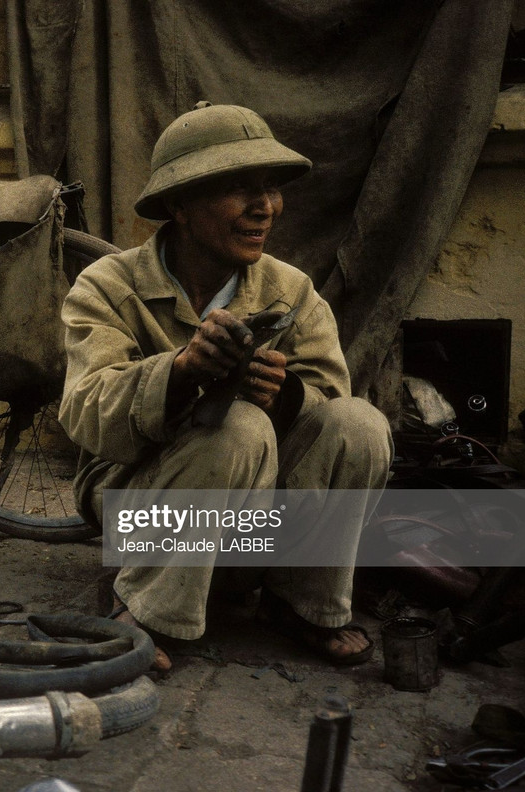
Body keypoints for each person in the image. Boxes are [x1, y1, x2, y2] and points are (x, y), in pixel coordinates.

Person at [59, 103, 393, 671]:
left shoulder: (291, 290)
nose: (265, 207)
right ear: (180, 206)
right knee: (235, 427)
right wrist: (180, 371)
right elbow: (85, 412)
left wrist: (285, 396)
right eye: (239, 189)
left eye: (271, 188)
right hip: (135, 505)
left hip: (254, 521)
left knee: (361, 424)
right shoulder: (108, 286)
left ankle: (302, 603)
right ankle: (141, 606)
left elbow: (330, 411)